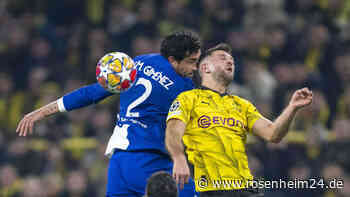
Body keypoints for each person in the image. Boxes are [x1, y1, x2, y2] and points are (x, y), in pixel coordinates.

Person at [16, 31, 201, 197]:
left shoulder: (137, 63)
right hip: (149, 161)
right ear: (172, 60)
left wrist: (42, 111)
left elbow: (91, 93)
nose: (195, 69)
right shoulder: (184, 86)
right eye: (191, 62)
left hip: (118, 162)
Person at [165, 43, 313, 197]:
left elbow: (273, 134)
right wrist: (178, 157)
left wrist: (292, 107)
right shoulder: (188, 99)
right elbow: (173, 129)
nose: (230, 62)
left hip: (245, 188)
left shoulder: (242, 105)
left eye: (232, 60)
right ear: (205, 68)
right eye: (222, 58)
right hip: (212, 188)